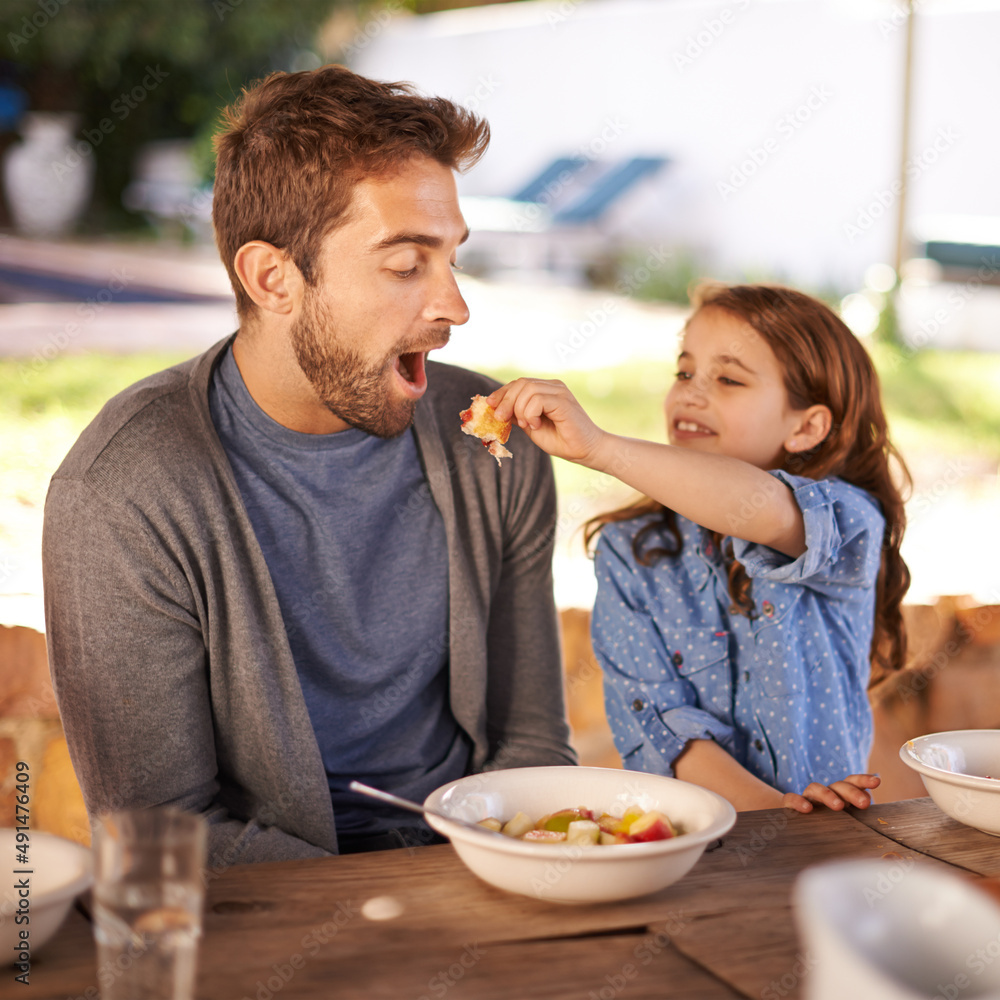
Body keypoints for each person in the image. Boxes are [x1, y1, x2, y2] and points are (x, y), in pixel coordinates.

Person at [43, 65, 575, 866]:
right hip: (270, 920)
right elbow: (158, 835)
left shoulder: (493, 447)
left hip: (477, 869)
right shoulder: (124, 493)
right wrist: (390, 913)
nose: (455, 307)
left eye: (451, 259)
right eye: (405, 265)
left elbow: (531, 743)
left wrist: (474, 878)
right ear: (273, 278)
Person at [489, 283, 910, 813]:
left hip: (826, 845)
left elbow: (764, 506)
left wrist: (601, 448)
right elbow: (665, 729)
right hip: (699, 845)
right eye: (684, 372)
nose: (691, 392)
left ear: (806, 427)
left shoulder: (844, 521)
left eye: (729, 378)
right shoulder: (629, 552)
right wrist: (777, 813)